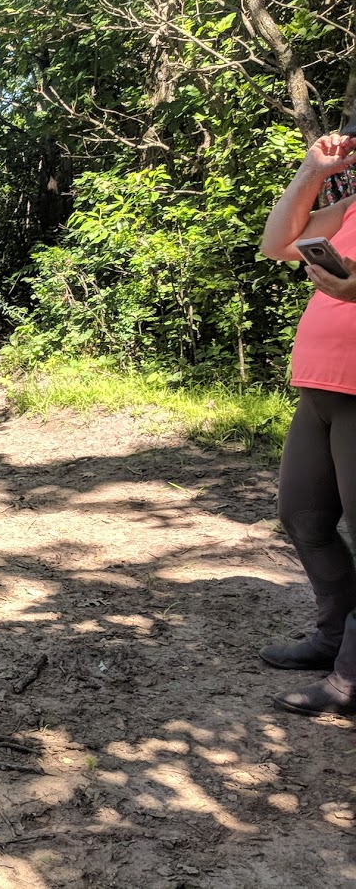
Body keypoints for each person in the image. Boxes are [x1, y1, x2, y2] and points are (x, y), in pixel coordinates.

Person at [257, 129, 356, 716]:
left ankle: (351, 679)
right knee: (303, 517)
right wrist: (312, 172)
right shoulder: (351, 208)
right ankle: (334, 637)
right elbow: (277, 243)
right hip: (320, 387)